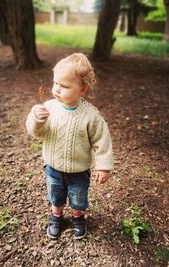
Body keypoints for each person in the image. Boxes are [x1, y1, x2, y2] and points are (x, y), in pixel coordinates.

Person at [26, 53, 113, 240]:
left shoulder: (91, 116)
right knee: (55, 196)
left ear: (83, 90)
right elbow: (37, 133)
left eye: (64, 86)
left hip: (79, 171)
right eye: (55, 83)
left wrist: (104, 166)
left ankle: (77, 217)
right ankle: (56, 216)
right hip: (53, 168)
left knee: (78, 199)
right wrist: (36, 119)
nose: (56, 89)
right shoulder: (49, 108)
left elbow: (102, 140)